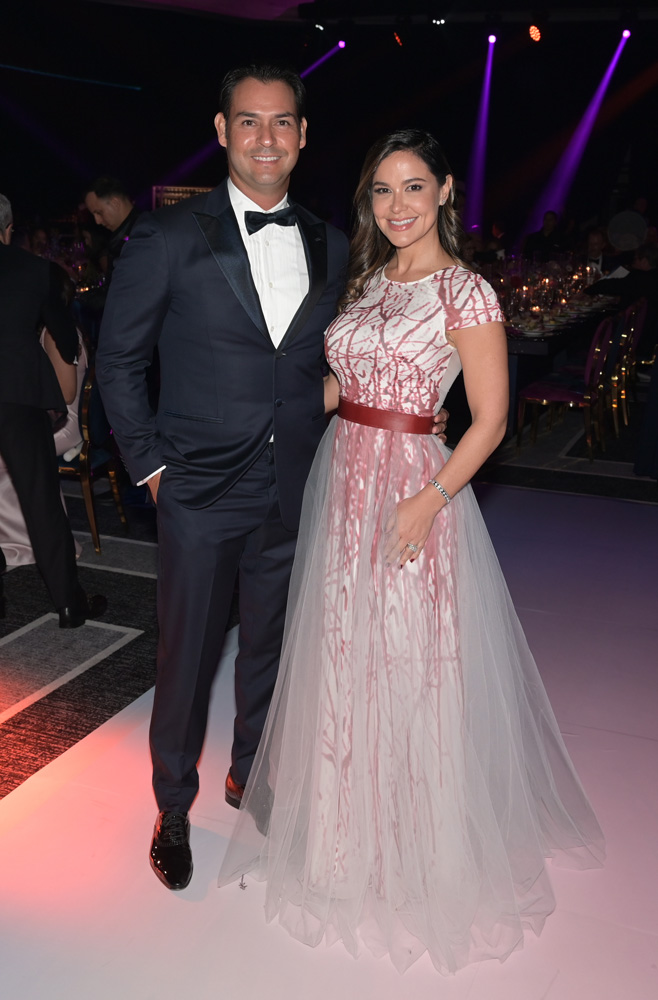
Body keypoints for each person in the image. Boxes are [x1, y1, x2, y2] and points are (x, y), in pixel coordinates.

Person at [218, 130, 605, 975]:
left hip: (411, 491)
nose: (397, 206)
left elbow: (493, 421)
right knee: (341, 653)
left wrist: (429, 502)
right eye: (383, 191)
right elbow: (338, 387)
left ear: (445, 193)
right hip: (341, 479)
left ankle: (411, 852)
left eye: (413, 187)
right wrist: (257, 413)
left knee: (405, 658)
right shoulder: (364, 285)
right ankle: (341, 844)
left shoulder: (467, 293)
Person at [97, 66, 448, 893]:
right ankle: (173, 806)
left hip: (296, 487)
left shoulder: (331, 244)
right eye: (248, 123)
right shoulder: (168, 237)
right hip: (194, 492)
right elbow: (117, 362)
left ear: (301, 135)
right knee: (184, 659)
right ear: (222, 132)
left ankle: (249, 776)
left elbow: (335, 361)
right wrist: (149, 466)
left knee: (271, 651)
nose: (265, 138)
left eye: (281, 123)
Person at [0, 193, 106, 626]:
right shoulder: (36, 270)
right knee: (41, 502)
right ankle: (67, 602)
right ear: (8, 230)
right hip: (19, 397)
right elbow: (64, 339)